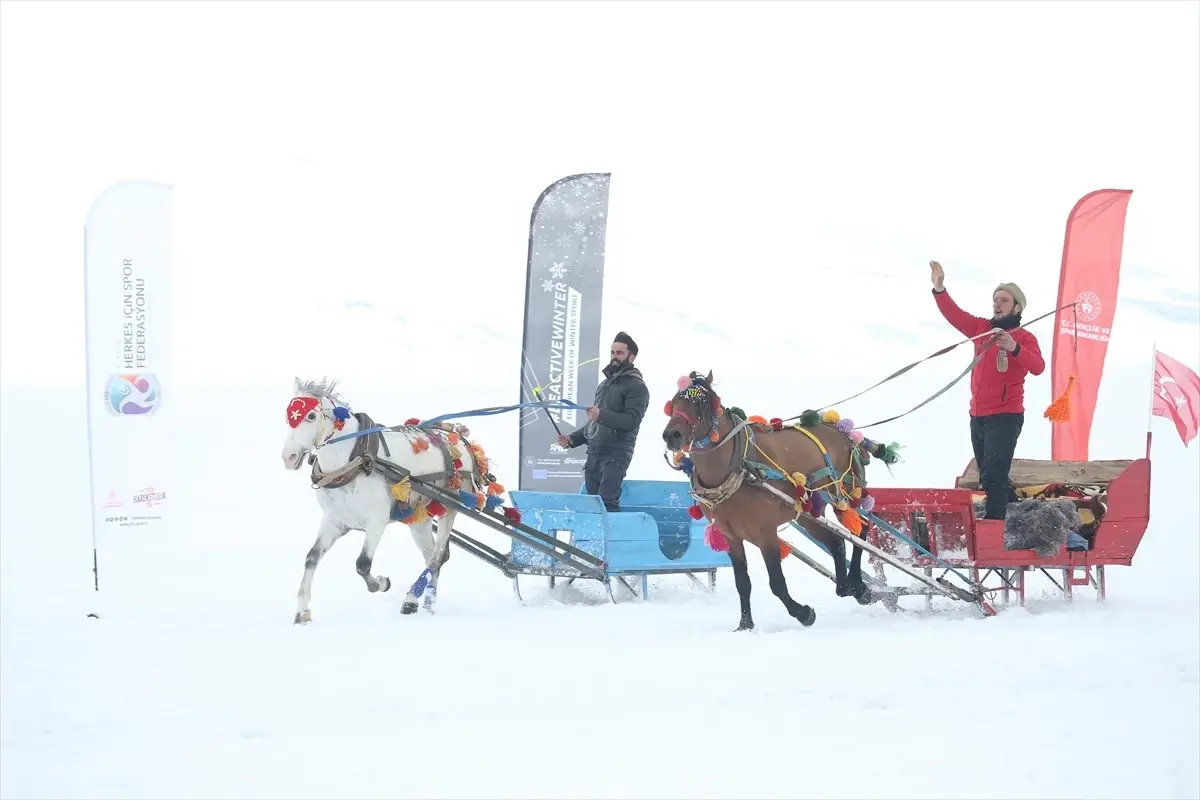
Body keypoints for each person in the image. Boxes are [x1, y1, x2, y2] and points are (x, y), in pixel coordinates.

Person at [929, 260, 1045, 520]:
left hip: (1005, 416)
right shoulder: (982, 328)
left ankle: (994, 529)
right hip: (978, 416)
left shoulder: (1025, 338)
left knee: (993, 475)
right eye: (995, 299)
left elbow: (1038, 367)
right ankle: (1017, 511)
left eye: (1004, 300)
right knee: (989, 475)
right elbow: (954, 314)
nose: (997, 303)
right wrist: (939, 289)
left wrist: (1014, 347)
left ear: (1017, 307)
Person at [557, 331, 650, 512]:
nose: (614, 357)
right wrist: (573, 439)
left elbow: (632, 421)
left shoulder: (637, 387)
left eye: (620, 353)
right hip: (594, 454)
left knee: (606, 504)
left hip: (616, 455)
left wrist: (601, 415)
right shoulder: (604, 385)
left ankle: (611, 540)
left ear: (632, 357)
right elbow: (594, 425)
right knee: (592, 505)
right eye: (613, 352)